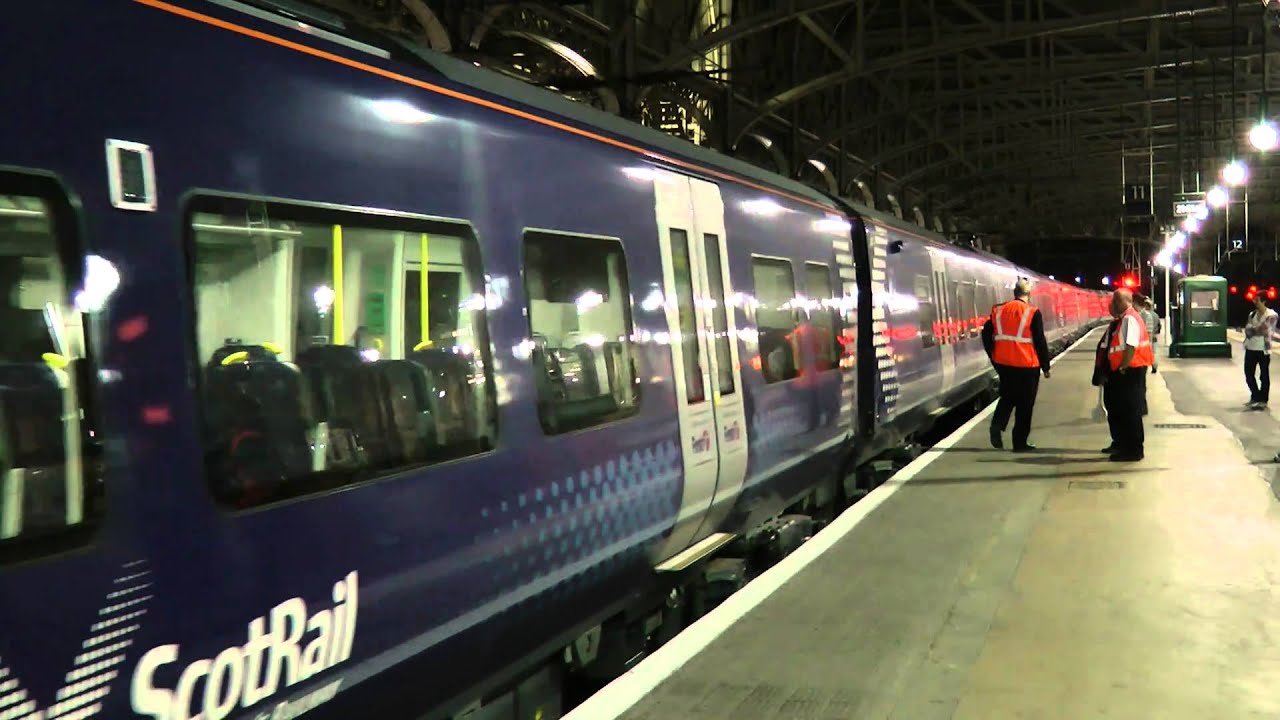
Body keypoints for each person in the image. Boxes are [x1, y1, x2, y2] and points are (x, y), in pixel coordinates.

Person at [981, 278, 1051, 452]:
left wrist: (993, 355)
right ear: (1029, 294)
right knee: (1025, 405)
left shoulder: (998, 311)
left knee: (1007, 397)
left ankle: (997, 425)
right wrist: (1046, 366)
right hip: (1027, 365)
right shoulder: (1032, 312)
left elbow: (986, 334)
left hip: (1004, 364)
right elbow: (1040, 341)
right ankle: (1019, 443)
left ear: (1014, 293)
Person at [1101, 288, 1152, 462]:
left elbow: (1131, 345)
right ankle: (1126, 446)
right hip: (1129, 370)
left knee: (1130, 412)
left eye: (1116, 300)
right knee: (1125, 411)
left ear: (1127, 301)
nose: (1113, 304)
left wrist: (1123, 366)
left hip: (1131, 371)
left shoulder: (1129, 319)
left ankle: (1133, 450)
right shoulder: (1124, 318)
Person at [1243, 293, 1278, 409]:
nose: (1254, 302)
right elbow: (1247, 330)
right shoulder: (1252, 314)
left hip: (1263, 350)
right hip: (1250, 348)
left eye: (1257, 300)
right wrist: (1254, 330)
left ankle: (1263, 399)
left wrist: (1252, 330)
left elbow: (1265, 330)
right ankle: (1255, 396)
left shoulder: (1271, 315)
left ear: (1264, 302)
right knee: (1249, 374)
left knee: (1264, 376)